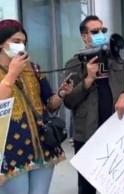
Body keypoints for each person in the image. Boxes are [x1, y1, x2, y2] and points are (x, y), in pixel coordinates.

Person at [63, 15, 124, 194]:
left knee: (118, 185)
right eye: (94, 31)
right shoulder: (74, 64)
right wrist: (88, 79)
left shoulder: (117, 59)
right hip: (87, 135)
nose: (100, 34)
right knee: (87, 187)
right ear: (84, 36)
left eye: (103, 30)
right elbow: (69, 101)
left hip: (116, 133)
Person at [0, 19, 73, 194]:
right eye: (15, 42)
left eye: (23, 42)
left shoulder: (33, 68)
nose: (21, 46)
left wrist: (61, 94)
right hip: (10, 154)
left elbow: (49, 104)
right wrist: (12, 74)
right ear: (1, 43)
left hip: (42, 148)